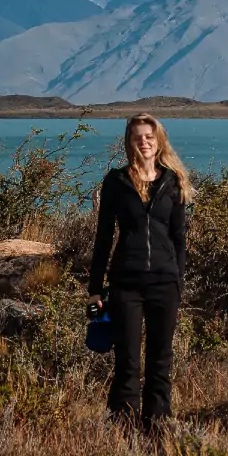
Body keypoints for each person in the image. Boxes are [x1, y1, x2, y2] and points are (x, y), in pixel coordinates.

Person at [88, 113, 193, 432]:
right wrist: (95, 289)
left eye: (149, 136)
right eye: (138, 137)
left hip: (165, 284)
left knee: (161, 360)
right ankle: (123, 427)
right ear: (129, 142)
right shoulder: (116, 182)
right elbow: (104, 236)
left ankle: (158, 427)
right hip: (126, 285)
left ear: (158, 140)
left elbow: (179, 239)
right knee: (128, 362)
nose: (144, 141)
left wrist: (179, 281)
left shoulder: (172, 182)